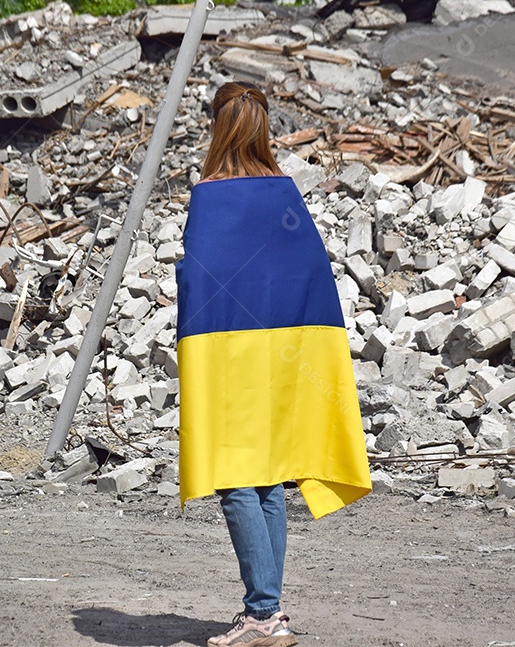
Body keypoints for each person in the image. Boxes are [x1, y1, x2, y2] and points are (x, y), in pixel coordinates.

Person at [175, 82, 372, 647]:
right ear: (263, 126)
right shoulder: (285, 194)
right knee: (267, 480)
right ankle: (269, 612)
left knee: (238, 477)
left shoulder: (209, 196)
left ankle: (262, 616)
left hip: (227, 353)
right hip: (285, 352)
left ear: (219, 126)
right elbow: (310, 273)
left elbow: (197, 277)